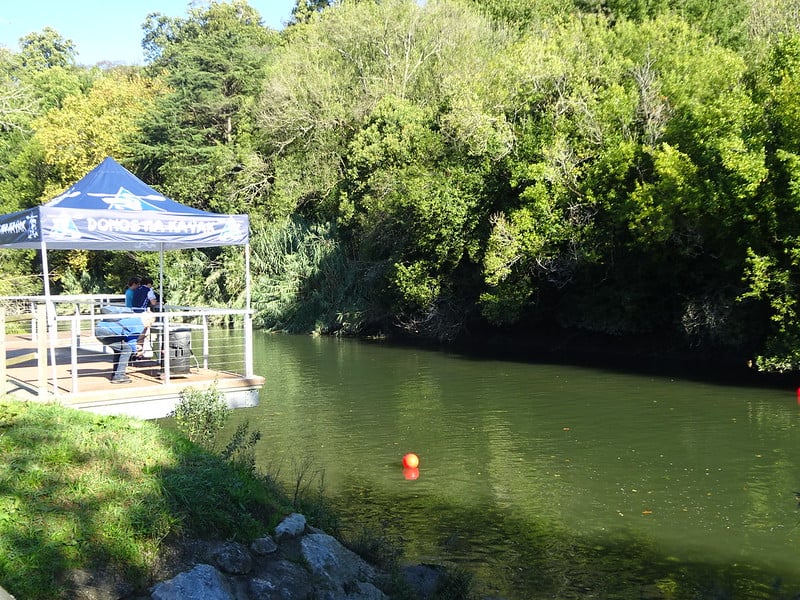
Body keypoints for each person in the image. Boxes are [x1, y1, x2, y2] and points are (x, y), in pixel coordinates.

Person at [94, 313, 154, 383]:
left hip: (101, 329)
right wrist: (136, 352)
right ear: (147, 319)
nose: (150, 325)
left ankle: (116, 374)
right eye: (151, 323)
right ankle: (119, 376)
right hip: (105, 332)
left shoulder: (135, 320)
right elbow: (131, 341)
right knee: (127, 349)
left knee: (120, 350)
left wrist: (135, 347)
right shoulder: (139, 325)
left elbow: (129, 338)